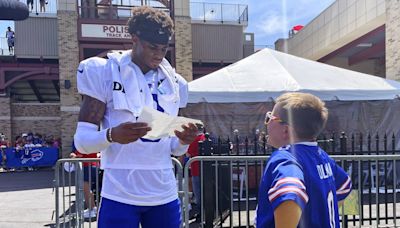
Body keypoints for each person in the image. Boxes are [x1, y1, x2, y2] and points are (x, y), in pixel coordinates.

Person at [73, 6, 198, 228]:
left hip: (164, 193)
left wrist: (183, 141)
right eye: (152, 47)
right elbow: (82, 142)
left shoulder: (175, 83)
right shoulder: (104, 71)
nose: (159, 54)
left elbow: (173, 150)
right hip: (120, 194)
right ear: (134, 39)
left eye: (164, 48)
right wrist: (112, 135)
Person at [256, 92, 352, 228]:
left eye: (269, 117)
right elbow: (345, 186)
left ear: (286, 130)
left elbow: (290, 192)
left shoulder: (285, 158)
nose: (266, 123)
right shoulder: (322, 157)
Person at [69, 141, 100, 219]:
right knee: (87, 188)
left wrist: (75, 156)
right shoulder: (90, 141)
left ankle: (92, 209)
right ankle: (92, 208)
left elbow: (81, 155)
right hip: (91, 165)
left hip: (89, 166)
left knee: (86, 188)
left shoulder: (85, 142)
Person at [185, 129, 205, 220]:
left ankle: (201, 214)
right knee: (204, 192)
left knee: (198, 193)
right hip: (205, 170)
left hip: (196, 169)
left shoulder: (194, 139)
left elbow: (188, 153)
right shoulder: (204, 138)